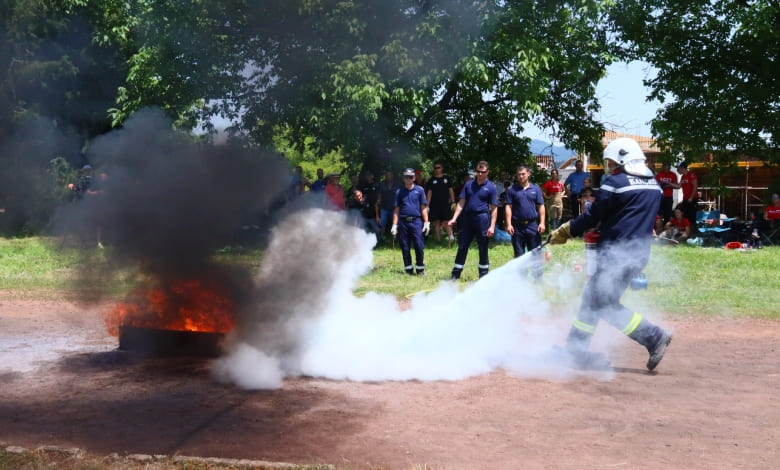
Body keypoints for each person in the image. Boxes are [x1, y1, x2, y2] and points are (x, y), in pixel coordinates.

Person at [548, 137, 672, 371]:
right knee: (593, 298)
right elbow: (628, 215)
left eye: (613, 162)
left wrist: (568, 229)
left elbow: (595, 213)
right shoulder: (653, 186)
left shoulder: (616, 182)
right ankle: (575, 350)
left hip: (616, 253)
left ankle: (654, 336)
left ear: (624, 160)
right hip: (637, 254)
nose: (611, 167)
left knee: (603, 303)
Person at [447, 161, 498, 280]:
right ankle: (455, 274)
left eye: (482, 172)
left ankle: (483, 275)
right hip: (467, 219)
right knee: (462, 246)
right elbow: (461, 203)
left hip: (482, 219)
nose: (479, 174)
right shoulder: (468, 184)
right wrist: (454, 218)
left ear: (487, 172)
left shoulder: (491, 187)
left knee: (483, 247)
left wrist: (491, 226)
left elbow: (494, 209)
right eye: (478, 171)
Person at [504, 165, 546, 280]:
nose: (521, 176)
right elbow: (508, 207)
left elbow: (541, 206)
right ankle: (522, 280)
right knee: (519, 254)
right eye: (519, 175)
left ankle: (538, 279)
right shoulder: (512, 190)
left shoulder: (536, 189)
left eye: (523, 174)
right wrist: (508, 224)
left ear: (528, 174)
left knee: (536, 253)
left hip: (533, 226)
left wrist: (542, 223)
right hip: (517, 227)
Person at [391, 168, 430, 275]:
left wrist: (426, 223)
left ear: (414, 178)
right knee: (405, 246)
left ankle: (420, 269)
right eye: (406, 177)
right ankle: (408, 270)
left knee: (419, 245)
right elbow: (396, 209)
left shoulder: (420, 190)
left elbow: (423, 208)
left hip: (416, 222)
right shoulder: (399, 192)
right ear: (404, 178)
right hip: (403, 223)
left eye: (411, 177)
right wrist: (394, 225)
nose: (408, 179)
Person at [425, 161, 456, 247]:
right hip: (434, 205)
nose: (437, 169)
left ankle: (451, 237)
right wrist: (427, 205)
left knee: (447, 222)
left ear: (442, 168)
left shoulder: (447, 178)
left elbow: (451, 191)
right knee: (436, 223)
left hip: (445, 204)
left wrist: (453, 202)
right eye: (435, 168)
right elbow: (429, 193)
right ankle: (438, 240)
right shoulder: (431, 180)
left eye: (438, 167)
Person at [376, 170, 400, 243]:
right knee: (382, 224)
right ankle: (381, 238)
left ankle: (395, 238)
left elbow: (400, 194)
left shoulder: (398, 184)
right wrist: (378, 200)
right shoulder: (382, 184)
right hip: (384, 207)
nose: (388, 176)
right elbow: (379, 194)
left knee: (395, 223)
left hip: (394, 208)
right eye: (387, 175)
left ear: (393, 176)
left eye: (390, 175)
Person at [676, 162, 698, 234]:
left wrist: (691, 197)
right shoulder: (682, 177)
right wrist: (669, 184)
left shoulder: (691, 174)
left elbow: (695, 186)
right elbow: (678, 186)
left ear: (682, 168)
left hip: (692, 199)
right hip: (685, 199)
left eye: (678, 168)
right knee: (685, 216)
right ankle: (686, 232)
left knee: (692, 216)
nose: (677, 170)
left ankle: (693, 233)